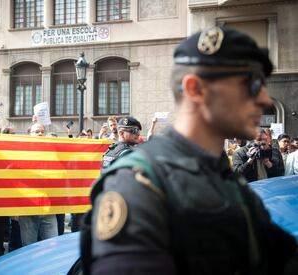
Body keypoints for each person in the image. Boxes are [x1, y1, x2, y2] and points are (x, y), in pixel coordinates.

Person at [81, 27, 297, 274]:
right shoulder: (139, 184)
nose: (264, 99)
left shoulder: (225, 180)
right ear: (195, 89)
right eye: (252, 83)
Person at [18, 123, 58, 246]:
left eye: (42, 131)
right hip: (28, 209)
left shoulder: (52, 153)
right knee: (29, 247)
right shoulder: (20, 153)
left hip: (48, 209)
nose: (40, 133)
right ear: (29, 135)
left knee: (52, 246)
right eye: (36, 131)